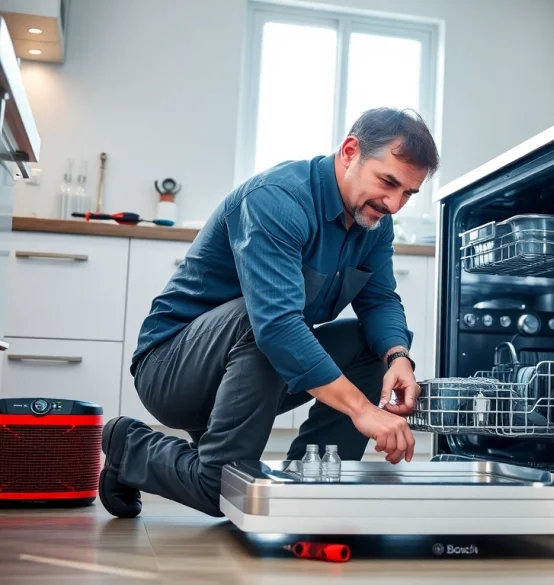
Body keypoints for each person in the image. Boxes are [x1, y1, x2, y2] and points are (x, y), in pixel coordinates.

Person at [98, 107, 440, 519]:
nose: (394, 203)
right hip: (173, 371)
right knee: (221, 491)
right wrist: (364, 411)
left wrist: (398, 356)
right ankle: (128, 444)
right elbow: (276, 326)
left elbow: (380, 299)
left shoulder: (374, 223)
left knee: (371, 345)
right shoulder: (276, 199)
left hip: (253, 369)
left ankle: (311, 483)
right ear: (350, 151)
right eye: (388, 183)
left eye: (408, 193)